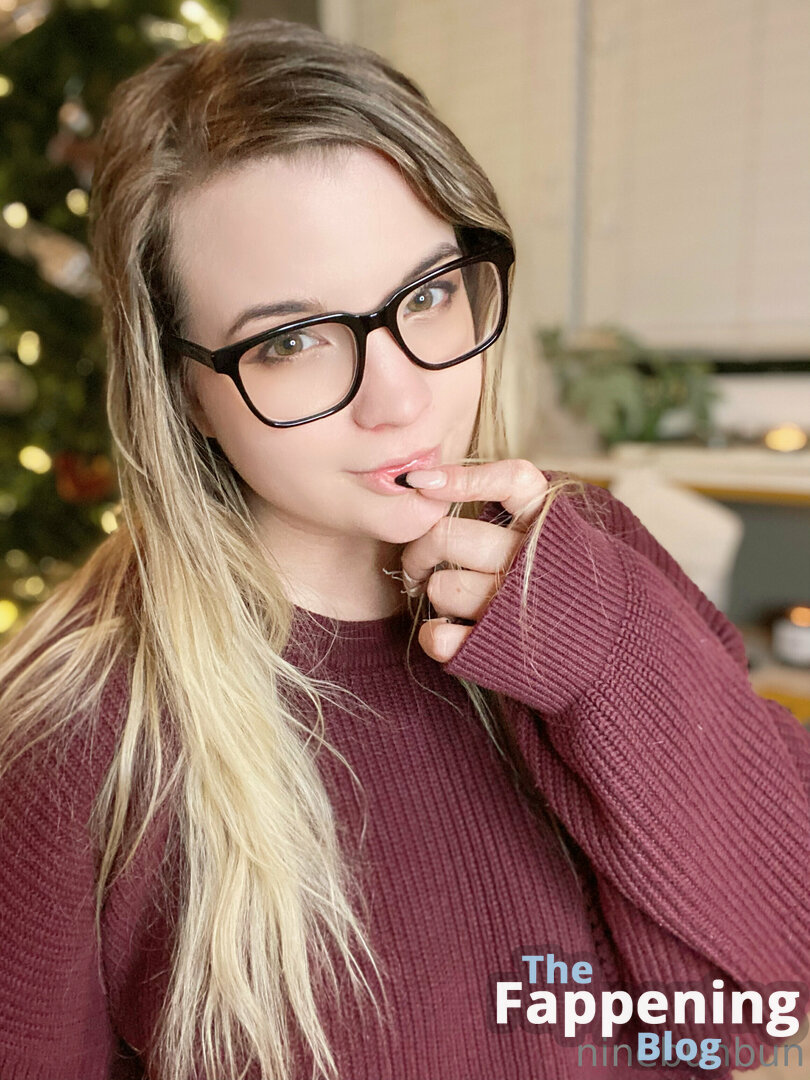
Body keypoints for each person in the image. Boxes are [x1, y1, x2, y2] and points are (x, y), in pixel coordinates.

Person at [0, 16, 808, 1080]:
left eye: (426, 294)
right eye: (291, 340)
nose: (400, 397)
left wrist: (605, 659)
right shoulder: (78, 729)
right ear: (182, 388)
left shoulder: (590, 569)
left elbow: (747, 1016)